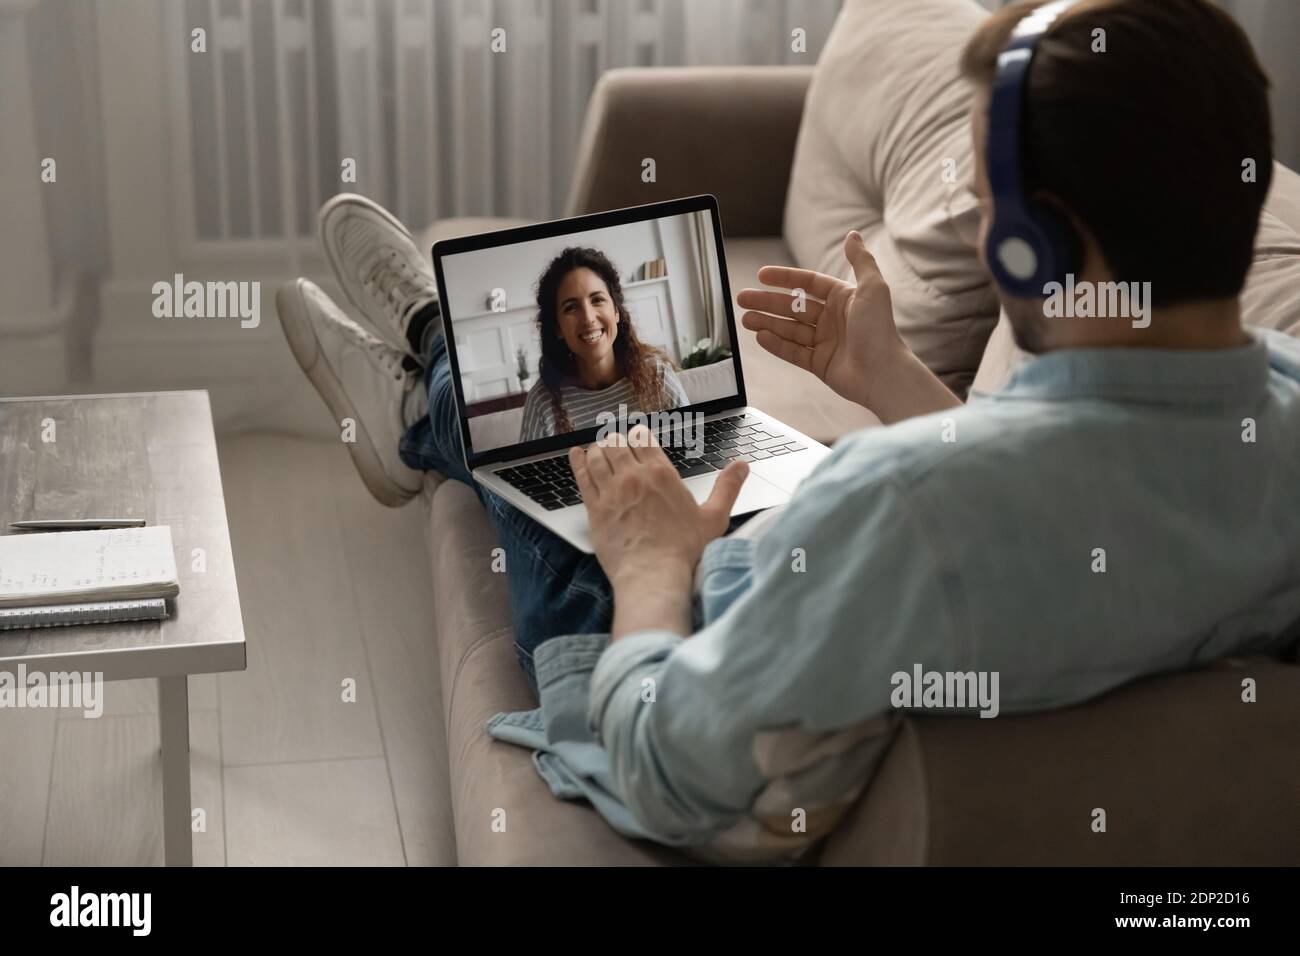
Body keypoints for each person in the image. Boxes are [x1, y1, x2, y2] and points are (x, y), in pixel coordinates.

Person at [279, 0, 1300, 859]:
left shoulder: (899, 504)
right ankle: (427, 368)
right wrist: (887, 376)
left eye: (991, 210)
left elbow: (668, 765)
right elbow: (1064, 501)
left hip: (673, 637)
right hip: (811, 598)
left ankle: (428, 376)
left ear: (1042, 244)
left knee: (560, 441)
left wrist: (645, 566)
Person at [518, 246, 687, 442]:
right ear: (557, 328)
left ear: (616, 311)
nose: (588, 318)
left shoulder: (657, 376)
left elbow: (695, 448)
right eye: (571, 307)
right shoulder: (542, 403)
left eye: (597, 300)